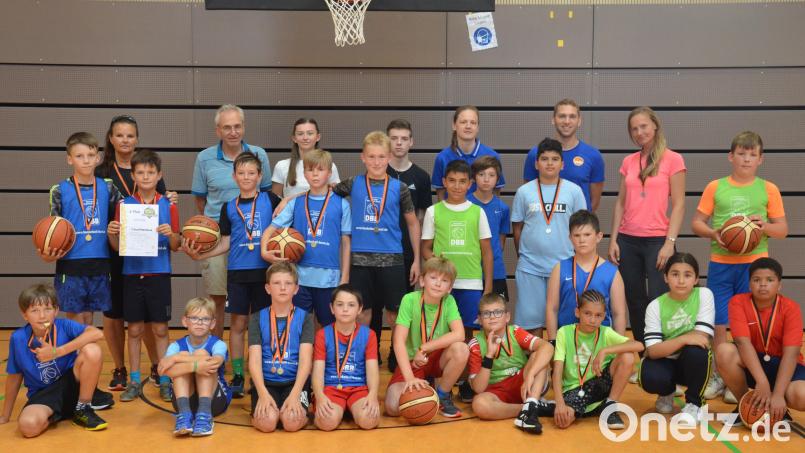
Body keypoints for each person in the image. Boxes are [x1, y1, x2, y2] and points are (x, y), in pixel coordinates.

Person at [691, 131, 788, 401]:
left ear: (761, 159)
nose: (746, 159)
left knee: (752, 323)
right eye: (742, 154)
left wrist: (763, 226)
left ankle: (745, 374)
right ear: (731, 157)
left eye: (752, 154)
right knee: (720, 323)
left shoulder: (768, 189)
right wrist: (713, 233)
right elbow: (696, 222)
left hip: (755, 267)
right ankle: (722, 374)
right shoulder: (715, 187)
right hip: (721, 263)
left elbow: (782, 229)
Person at [185, 152, 279, 398]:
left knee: (261, 325)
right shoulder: (229, 206)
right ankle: (238, 374)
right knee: (238, 324)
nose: (246, 177)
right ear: (234, 176)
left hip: (265, 272)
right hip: (238, 272)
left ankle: (263, 370)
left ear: (260, 176)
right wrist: (200, 256)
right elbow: (226, 242)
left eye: (251, 173)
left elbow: (290, 210)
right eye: (241, 173)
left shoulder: (271, 199)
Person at [96, 114, 178, 392]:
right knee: (119, 316)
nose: (125, 140)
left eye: (130, 135)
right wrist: (111, 232)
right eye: (119, 135)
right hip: (118, 255)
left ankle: (159, 368)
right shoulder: (101, 171)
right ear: (110, 138)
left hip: (154, 263)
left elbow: (171, 227)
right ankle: (122, 370)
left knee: (154, 323)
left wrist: (172, 211)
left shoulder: (158, 187)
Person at [608, 107, 686, 354]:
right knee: (634, 299)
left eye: (643, 126)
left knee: (658, 299)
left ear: (655, 126)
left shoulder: (673, 159)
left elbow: (680, 204)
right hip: (628, 240)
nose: (639, 132)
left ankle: (664, 352)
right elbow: (620, 202)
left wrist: (669, 242)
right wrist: (613, 239)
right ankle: (643, 354)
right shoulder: (628, 162)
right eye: (634, 128)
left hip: (657, 241)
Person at [191, 104, 273, 336]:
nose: (233, 132)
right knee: (217, 297)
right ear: (218, 130)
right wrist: (214, 226)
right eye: (227, 127)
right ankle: (216, 353)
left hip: (252, 238)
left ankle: (255, 357)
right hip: (218, 237)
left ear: (244, 127)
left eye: (237, 126)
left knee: (255, 301)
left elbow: (266, 196)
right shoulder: (204, 158)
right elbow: (201, 200)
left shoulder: (259, 155)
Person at [108, 150, 181, 403]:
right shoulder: (124, 206)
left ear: (159, 175)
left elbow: (176, 245)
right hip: (132, 274)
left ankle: (164, 379)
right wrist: (111, 232)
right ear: (134, 176)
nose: (146, 176)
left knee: (160, 329)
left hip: (159, 273)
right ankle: (135, 380)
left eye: (151, 172)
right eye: (141, 172)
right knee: (135, 329)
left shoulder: (168, 204)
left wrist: (170, 233)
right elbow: (117, 247)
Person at [0, 284, 109, 436]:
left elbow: (97, 333)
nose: (42, 316)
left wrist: (57, 352)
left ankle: (83, 407)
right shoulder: (18, 338)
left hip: (72, 385)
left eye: (48, 309)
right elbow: (14, 376)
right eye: (35, 310)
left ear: (56, 311)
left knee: (92, 350)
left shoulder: (64, 326)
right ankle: (57, 414)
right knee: (28, 426)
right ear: (25, 315)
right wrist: (5, 415)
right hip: (44, 395)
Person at [39, 132, 122, 326]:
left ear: (98, 158)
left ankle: (87, 356)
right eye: (79, 156)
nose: (86, 161)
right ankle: (77, 355)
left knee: (90, 318)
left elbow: (129, 212)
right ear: (69, 159)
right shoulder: (59, 190)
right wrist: (48, 251)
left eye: (91, 155)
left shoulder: (108, 187)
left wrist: (165, 200)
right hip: (71, 262)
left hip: (100, 261)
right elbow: (52, 229)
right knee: (76, 319)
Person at [263, 149, 351, 327]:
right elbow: (271, 229)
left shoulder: (342, 204)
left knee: (329, 326)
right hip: (300, 277)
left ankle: (323, 356)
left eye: (320, 169)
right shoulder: (295, 203)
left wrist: (345, 276)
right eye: (310, 170)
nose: (315, 174)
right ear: (304, 173)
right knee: (298, 325)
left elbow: (346, 243)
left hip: (329, 277)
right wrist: (264, 252)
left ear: (329, 173)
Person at [716, 258, 805, 425]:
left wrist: (778, 394)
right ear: (749, 284)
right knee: (724, 351)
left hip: (783, 365)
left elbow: (791, 354)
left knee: (802, 395)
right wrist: (762, 381)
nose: (763, 284)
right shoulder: (738, 302)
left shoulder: (791, 308)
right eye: (757, 280)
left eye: (769, 280)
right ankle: (746, 406)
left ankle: (779, 409)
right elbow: (742, 343)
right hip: (753, 362)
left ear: (779, 285)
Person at [512, 138, 586, 337]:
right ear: (536, 163)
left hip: (564, 266)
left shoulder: (574, 191)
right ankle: (536, 367)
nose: (550, 163)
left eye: (555, 159)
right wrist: (523, 255)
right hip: (530, 267)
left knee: (564, 325)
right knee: (531, 324)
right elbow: (517, 227)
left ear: (562, 164)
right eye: (544, 159)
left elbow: (582, 227)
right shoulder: (523, 192)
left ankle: (560, 366)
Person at [384, 257, 469, 418]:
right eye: (433, 278)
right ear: (422, 280)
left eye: (444, 281)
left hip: (436, 358)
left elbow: (460, 334)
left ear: (449, 288)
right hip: (413, 362)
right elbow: (398, 341)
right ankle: (425, 384)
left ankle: (442, 394)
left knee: (461, 348)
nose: (438, 283)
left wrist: (425, 348)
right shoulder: (409, 300)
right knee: (393, 407)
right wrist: (409, 378)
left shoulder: (449, 301)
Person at [639, 253, 714, 426]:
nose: (681, 280)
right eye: (675, 274)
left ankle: (694, 404)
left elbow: (701, 338)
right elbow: (653, 351)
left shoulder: (704, 295)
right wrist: (684, 339)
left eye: (687, 275)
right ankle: (667, 392)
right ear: (666, 277)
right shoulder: (655, 306)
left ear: (696, 279)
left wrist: (681, 342)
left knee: (698, 352)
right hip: (666, 360)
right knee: (648, 373)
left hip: (691, 363)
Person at [552, 289, 643, 430]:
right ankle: (591, 408)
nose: (593, 320)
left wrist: (605, 350)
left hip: (600, 383)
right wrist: (559, 403)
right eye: (587, 314)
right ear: (577, 312)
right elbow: (557, 372)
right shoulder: (564, 332)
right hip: (574, 389)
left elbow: (638, 345)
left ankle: (609, 405)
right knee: (563, 422)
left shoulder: (606, 332)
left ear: (604, 317)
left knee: (627, 356)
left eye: (598, 315)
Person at [422, 159, 494, 331]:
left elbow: (487, 253)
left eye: (462, 181)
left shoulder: (478, 212)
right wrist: (439, 267)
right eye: (452, 181)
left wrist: (488, 285)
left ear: (470, 184)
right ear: (444, 182)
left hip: (471, 282)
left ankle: (468, 358)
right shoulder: (433, 211)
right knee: (440, 328)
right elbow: (425, 248)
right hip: (442, 282)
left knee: (468, 330)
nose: (457, 186)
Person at [468, 293, 554, 434]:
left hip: (523, 383)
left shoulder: (514, 332)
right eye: (486, 313)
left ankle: (532, 402)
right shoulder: (475, 343)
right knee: (479, 405)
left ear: (507, 317)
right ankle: (531, 408)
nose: (492, 317)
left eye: (498, 312)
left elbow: (548, 347)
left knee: (539, 354)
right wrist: (489, 355)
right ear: (479, 319)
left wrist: (531, 375)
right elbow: (478, 388)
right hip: (495, 391)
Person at [386, 119, 432, 371]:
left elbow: (422, 219)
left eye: (404, 138)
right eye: (394, 138)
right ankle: (371, 352)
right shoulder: (379, 171)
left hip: (405, 251)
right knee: (371, 309)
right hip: (379, 249)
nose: (399, 143)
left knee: (399, 307)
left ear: (411, 142)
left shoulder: (421, 177)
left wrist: (417, 257)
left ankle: (397, 351)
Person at [248, 262, 314, 433]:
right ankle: (265, 412)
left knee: (292, 423)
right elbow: (254, 360)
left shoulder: (305, 318)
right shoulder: (256, 318)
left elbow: (306, 362)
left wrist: (295, 394)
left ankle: (297, 410)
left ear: (296, 288)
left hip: (294, 383)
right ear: (268, 288)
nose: (283, 288)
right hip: (266, 383)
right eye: (277, 283)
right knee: (267, 423)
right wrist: (262, 393)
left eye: (288, 283)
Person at [545, 210, 627, 340]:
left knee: (627, 359)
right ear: (570, 238)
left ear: (599, 236)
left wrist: (618, 345)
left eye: (587, 234)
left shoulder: (612, 272)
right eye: (577, 235)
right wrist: (553, 340)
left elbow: (618, 313)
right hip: (567, 340)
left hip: (600, 341)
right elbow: (552, 308)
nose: (582, 240)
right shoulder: (559, 268)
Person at [158, 297, 232, 437]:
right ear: (185, 321)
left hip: (214, 402)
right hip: (183, 401)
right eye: (194, 318)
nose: (199, 323)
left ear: (212, 323)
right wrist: (195, 365)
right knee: (186, 355)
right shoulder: (176, 346)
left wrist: (176, 359)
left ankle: (205, 416)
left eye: (205, 319)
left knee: (202, 353)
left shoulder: (218, 344)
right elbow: (163, 371)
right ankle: (185, 416)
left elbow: (213, 362)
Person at [312, 285, 380, 431]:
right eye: (339, 304)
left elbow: (372, 370)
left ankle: (350, 409)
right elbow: (317, 371)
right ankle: (340, 410)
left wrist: (373, 395)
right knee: (326, 422)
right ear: (331, 308)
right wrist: (320, 396)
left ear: (360, 309)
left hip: (358, 388)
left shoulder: (369, 335)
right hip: (331, 388)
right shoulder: (322, 334)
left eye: (351, 305)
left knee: (369, 421)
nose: (345, 309)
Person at [523, 99, 605, 211]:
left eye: (572, 117)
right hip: (544, 224)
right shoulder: (536, 154)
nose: (567, 121)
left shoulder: (593, 156)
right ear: (553, 120)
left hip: (578, 225)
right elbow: (528, 195)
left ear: (579, 121)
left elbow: (594, 202)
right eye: (562, 116)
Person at [431, 105, 505, 199]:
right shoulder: (442, 158)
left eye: (473, 123)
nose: (468, 126)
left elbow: (496, 192)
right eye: (463, 122)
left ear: (478, 127)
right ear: (454, 125)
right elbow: (441, 194)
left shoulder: (492, 156)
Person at [469, 156, 511, 300]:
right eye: (481, 175)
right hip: (470, 269)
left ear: (497, 179)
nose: (486, 179)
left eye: (491, 175)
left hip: (496, 271)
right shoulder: (465, 204)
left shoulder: (503, 208)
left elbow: (501, 242)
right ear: (474, 177)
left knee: (495, 314)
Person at [271, 118, 340, 198]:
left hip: (322, 210)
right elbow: (276, 200)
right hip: (290, 210)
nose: (305, 138)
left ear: (318, 137)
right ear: (294, 138)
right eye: (300, 134)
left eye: (310, 133)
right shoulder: (281, 165)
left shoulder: (329, 165)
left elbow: (335, 197)